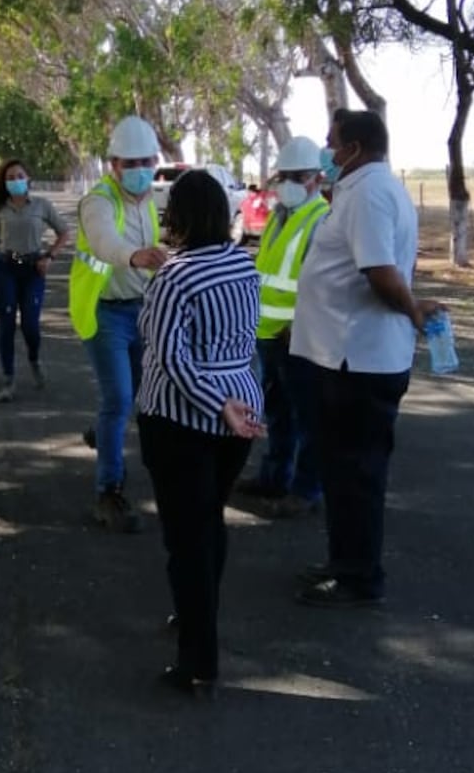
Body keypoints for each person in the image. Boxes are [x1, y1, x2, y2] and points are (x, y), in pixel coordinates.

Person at [290, 108, 439, 608]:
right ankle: (344, 561)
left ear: (353, 148)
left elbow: (379, 272)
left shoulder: (371, 192)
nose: (328, 155)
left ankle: (358, 577)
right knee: (342, 471)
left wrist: (415, 309)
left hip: (358, 361)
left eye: (333, 145)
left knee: (357, 475)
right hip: (342, 356)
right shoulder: (358, 189)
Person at [138, 170, 266, 692]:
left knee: (186, 537)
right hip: (241, 408)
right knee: (208, 520)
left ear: (180, 217)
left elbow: (170, 356)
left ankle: (197, 659)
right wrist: (233, 405)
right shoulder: (244, 265)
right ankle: (196, 613)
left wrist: (218, 405)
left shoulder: (176, 276)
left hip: (181, 421)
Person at [68, 115, 168, 532]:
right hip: (106, 312)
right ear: (113, 165)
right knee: (119, 399)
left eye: (146, 161)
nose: (140, 169)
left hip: (143, 311)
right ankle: (108, 491)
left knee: (143, 395)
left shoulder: (150, 201)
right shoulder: (98, 201)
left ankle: (104, 432)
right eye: (130, 163)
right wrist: (133, 256)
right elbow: (105, 240)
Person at [235, 136, 329, 519]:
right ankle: (275, 476)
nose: (289, 183)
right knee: (276, 412)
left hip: (297, 334)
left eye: (298, 176)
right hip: (266, 331)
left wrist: (301, 322)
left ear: (317, 179)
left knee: (307, 415)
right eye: (284, 175)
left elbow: (321, 282)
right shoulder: (279, 216)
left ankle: (306, 489)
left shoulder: (322, 219)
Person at [0, 158, 69, 402]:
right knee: (6, 324)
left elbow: (64, 232)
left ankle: (34, 358)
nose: (15, 181)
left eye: (19, 176)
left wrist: (49, 257)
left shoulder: (41, 205)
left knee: (31, 324)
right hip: (5, 269)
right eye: (10, 178)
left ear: (28, 178)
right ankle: (8, 379)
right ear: (4, 183)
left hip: (33, 270)